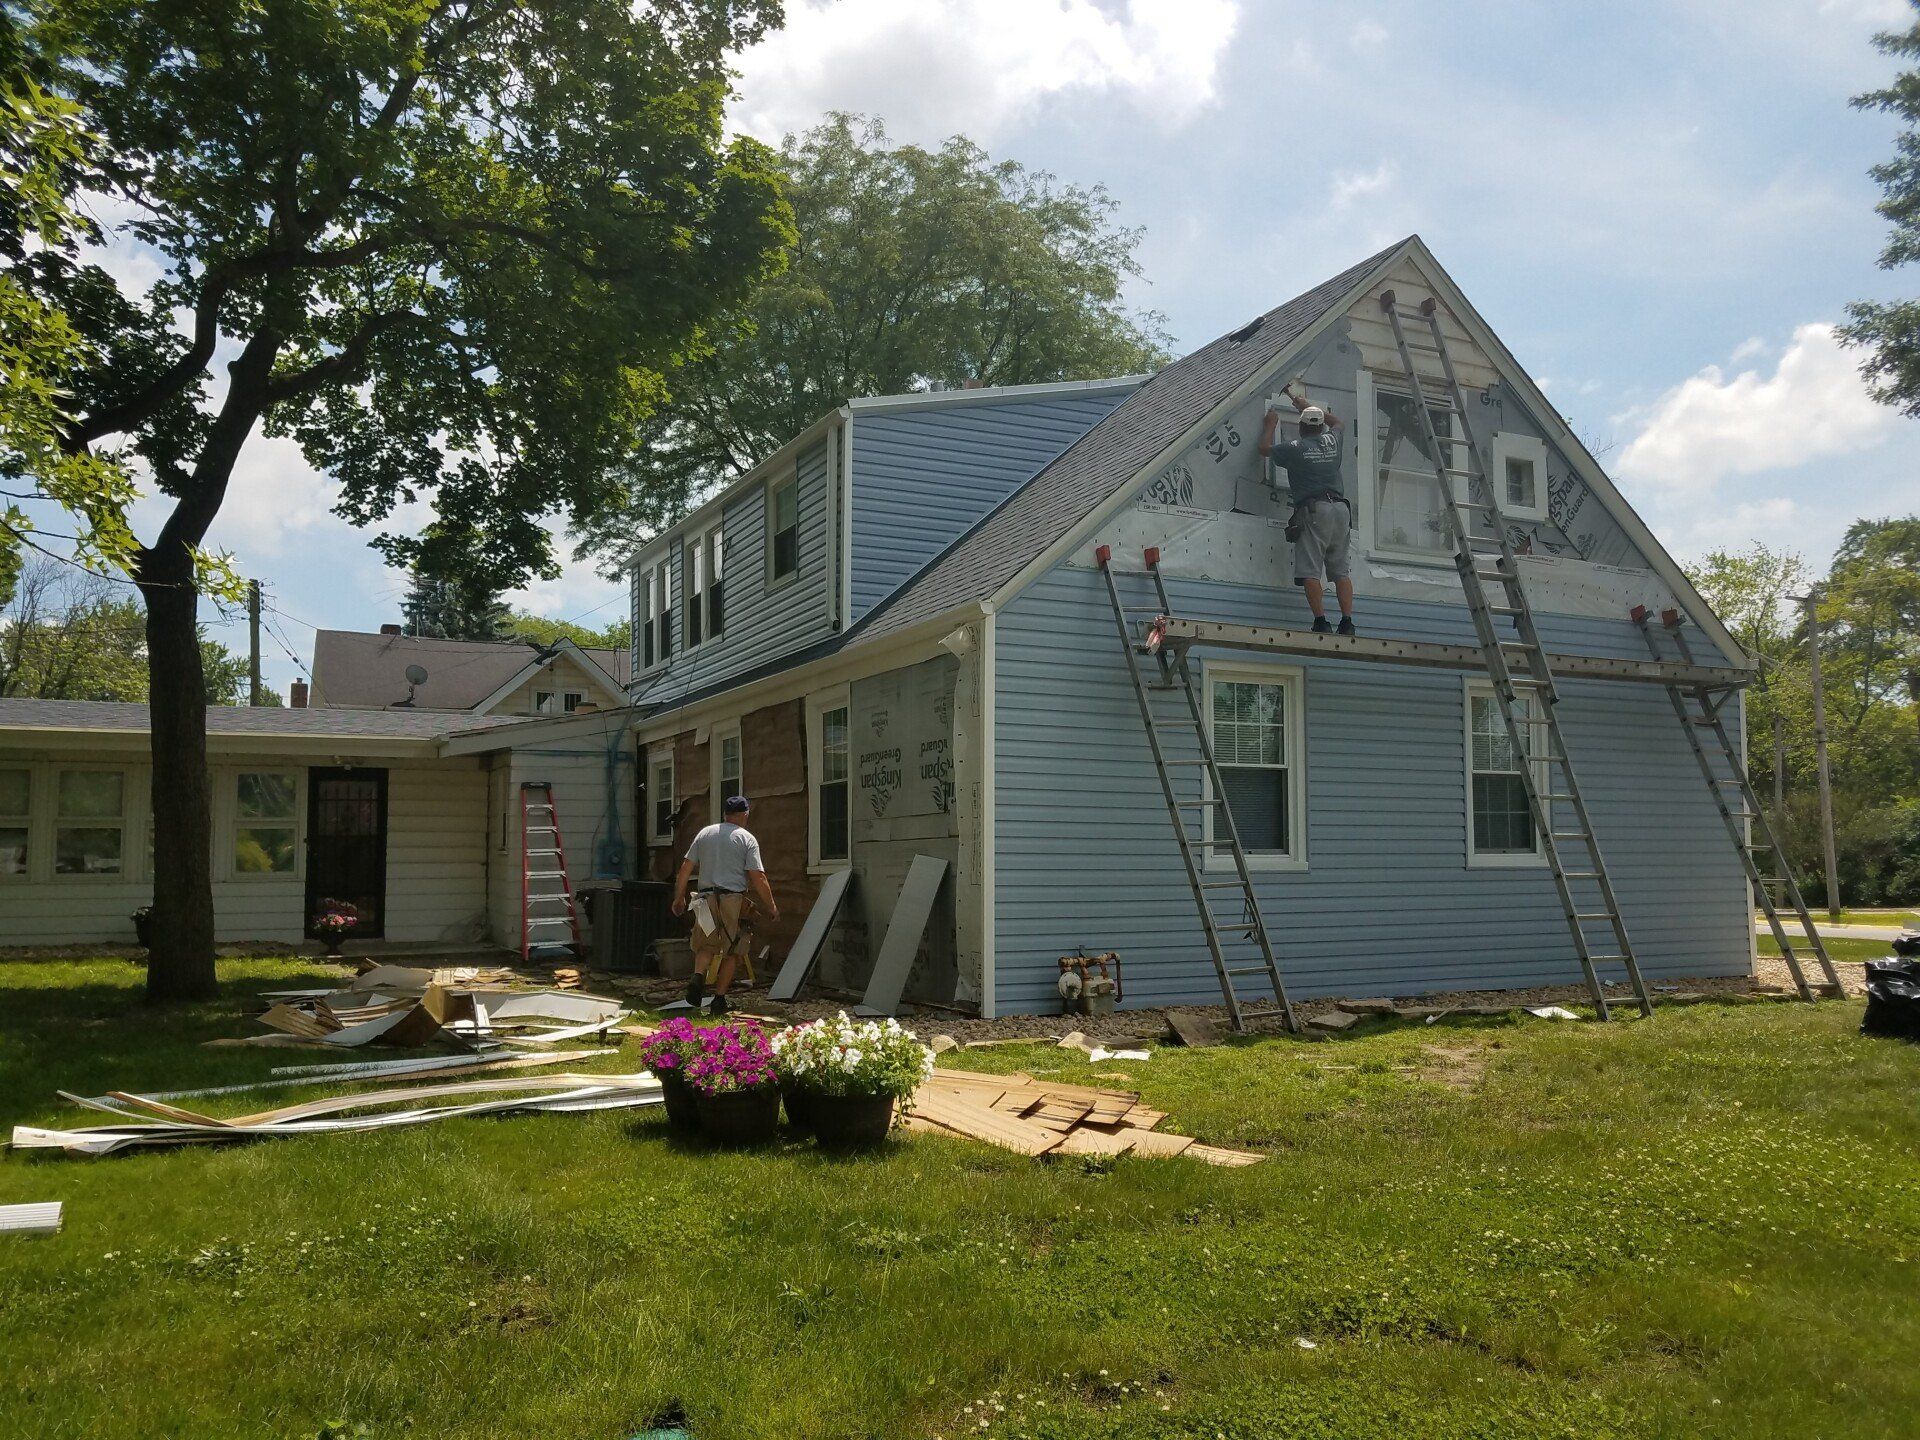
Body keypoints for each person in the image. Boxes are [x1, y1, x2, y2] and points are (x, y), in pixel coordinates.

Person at [1260, 384, 1356, 635]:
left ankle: (1321, 621)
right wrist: (1307, 406)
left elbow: (1264, 450)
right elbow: (1339, 422)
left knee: (1311, 569)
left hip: (1315, 510)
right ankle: (1347, 622)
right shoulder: (1332, 439)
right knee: (1340, 570)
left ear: (1301, 428)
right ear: (1321, 426)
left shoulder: (1295, 448)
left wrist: (1270, 424)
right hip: (1341, 511)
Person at [671, 795, 778, 1016]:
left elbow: (685, 867)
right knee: (733, 950)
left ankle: (698, 977)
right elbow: (758, 876)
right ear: (745, 814)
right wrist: (771, 906)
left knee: (704, 945)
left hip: (705, 899)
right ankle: (719, 999)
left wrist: (679, 897)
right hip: (732, 900)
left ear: (725, 814)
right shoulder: (746, 839)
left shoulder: (705, 833)